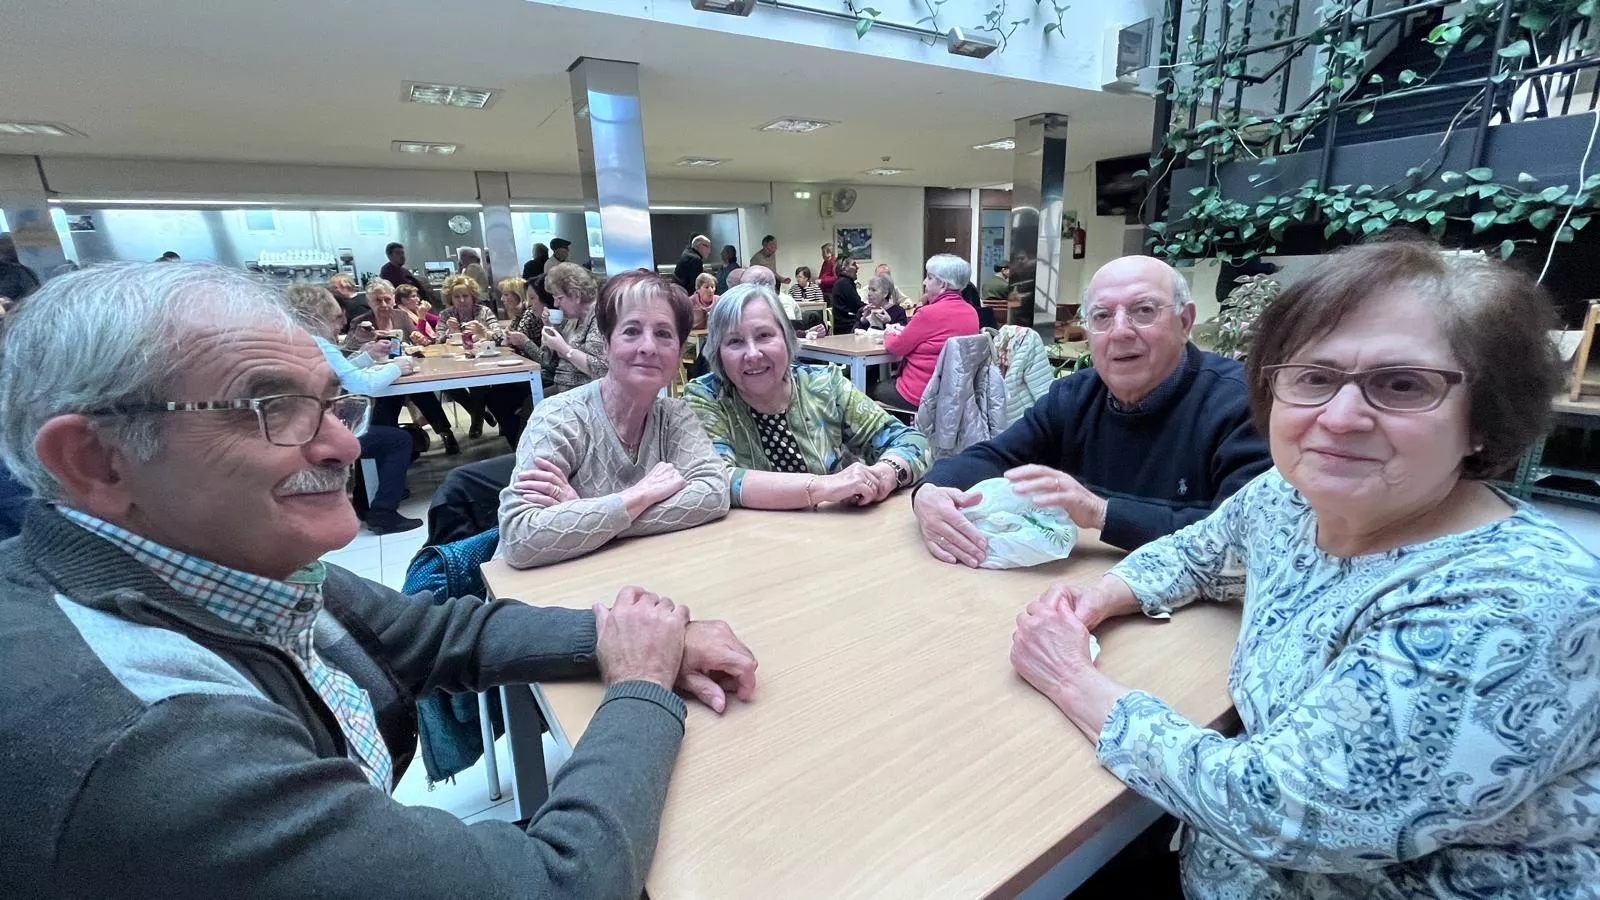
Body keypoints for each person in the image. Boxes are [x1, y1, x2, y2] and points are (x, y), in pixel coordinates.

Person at [0, 261, 759, 899]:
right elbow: (560, 884)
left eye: (331, 404)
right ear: (96, 462)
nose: (342, 443)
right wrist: (640, 684)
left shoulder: (225, 563)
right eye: (272, 409)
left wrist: (623, 634)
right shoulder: (142, 739)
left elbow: (431, 631)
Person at [1008, 240, 1597, 899]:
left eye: (1402, 384)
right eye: (1314, 378)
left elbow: (1275, 810)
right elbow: (1197, 553)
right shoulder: (1291, 498)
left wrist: (1071, 676)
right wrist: (1094, 601)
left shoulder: (1513, 607)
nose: (1339, 418)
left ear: (1484, 418)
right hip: (1222, 859)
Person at [913, 255, 1270, 560]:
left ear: (1185, 321)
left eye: (1144, 311)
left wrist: (1100, 512)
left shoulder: (1240, 404)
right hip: (1074, 591)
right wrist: (929, 491)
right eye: (1101, 316)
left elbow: (1244, 536)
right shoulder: (1073, 396)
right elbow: (996, 456)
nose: (1120, 331)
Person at [499, 271, 730, 568]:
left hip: (634, 575)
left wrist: (588, 512)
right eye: (631, 331)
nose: (648, 347)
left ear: (678, 354)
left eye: (663, 334)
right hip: (546, 589)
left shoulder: (675, 416)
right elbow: (520, 537)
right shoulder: (559, 416)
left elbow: (714, 493)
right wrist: (638, 496)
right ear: (606, 346)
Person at [683, 285, 930, 510]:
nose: (753, 354)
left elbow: (911, 440)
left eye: (764, 336)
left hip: (838, 534)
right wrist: (824, 487)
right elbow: (717, 479)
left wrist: (885, 475)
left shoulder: (824, 385)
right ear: (718, 352)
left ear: (787, 338)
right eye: (734, 341)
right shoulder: (706, 397)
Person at [284, 284, 424, 534]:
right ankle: (383, 512)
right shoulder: (318, 343)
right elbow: (363, 385)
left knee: (381, 425)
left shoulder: (296, 340)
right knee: (399, 440)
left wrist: (368, 357)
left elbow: (340, 373)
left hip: (300, 428)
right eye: (336, 318)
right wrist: (396, 368)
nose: (341, 324)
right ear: (318, 316)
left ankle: (364, 499)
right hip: (315, 433)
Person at [869, 255, 980, 411]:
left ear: (942, 284)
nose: (924, 282)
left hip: (919, 393)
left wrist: (889, 333)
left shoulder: (928, 313)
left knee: (870, 388)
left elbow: (896, 347)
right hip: (955, 394)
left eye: (929, 277)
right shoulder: (972, 313)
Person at [435, 274, 526, 446]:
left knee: (478, 383)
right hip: (455, 359)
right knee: (448, 384)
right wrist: (448, 333)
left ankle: (477, 420)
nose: (462, 300)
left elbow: (497, 333)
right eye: (457, 297)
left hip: (483, 358)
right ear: (450, 298)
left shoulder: (483, 311)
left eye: (465, 296)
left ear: (473, 296)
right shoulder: (446, 315)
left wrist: (483, 331)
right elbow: (437, 340)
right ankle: (479, 413)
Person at [540, 261, 609, 395]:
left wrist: (564, 349)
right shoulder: (571, 320)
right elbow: (546, 361)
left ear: (576, 294)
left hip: (585, 394)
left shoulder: (598, 317)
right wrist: (548, 327)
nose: (555, 304)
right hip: (565, 388)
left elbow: (601, 369)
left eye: (559, 298)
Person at [0, 235, 41, 304]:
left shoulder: (20, 273)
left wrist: (13, 304)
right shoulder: (21, 272)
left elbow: (33, 299)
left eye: (8, 250)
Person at [830, 258, 863, 334]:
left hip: (844, 326)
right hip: (847, 328)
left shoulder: (843, 282)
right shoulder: (844, 283)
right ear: (844, 269)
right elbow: (857, 305)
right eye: (853, 264)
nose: (858, 266)